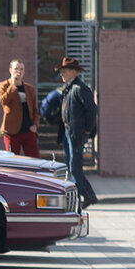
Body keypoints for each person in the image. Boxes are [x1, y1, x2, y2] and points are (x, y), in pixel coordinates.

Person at [56, 56, 98, 208]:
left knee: (75, 166)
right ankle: (89, 195)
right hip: (69, 132)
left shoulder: (80, 88)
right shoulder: (69, 87)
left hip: (77, 134)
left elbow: (92, 110)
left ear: (74, 72)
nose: (62, 74)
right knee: (73, 166)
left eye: (65, 71)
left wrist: (87, 131)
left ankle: (76, 201)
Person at [0, 58, 39, 157]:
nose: (18, 72)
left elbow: (35, 110)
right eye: (16, 69)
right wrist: (13, 86)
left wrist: (35, 125)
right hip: (11, 132)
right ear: (10, 70)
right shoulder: (3, 85)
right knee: (13, 161)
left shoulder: (30, 89)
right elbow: (3, 101)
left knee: (35, 160)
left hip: (28, 131)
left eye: (21, 69)